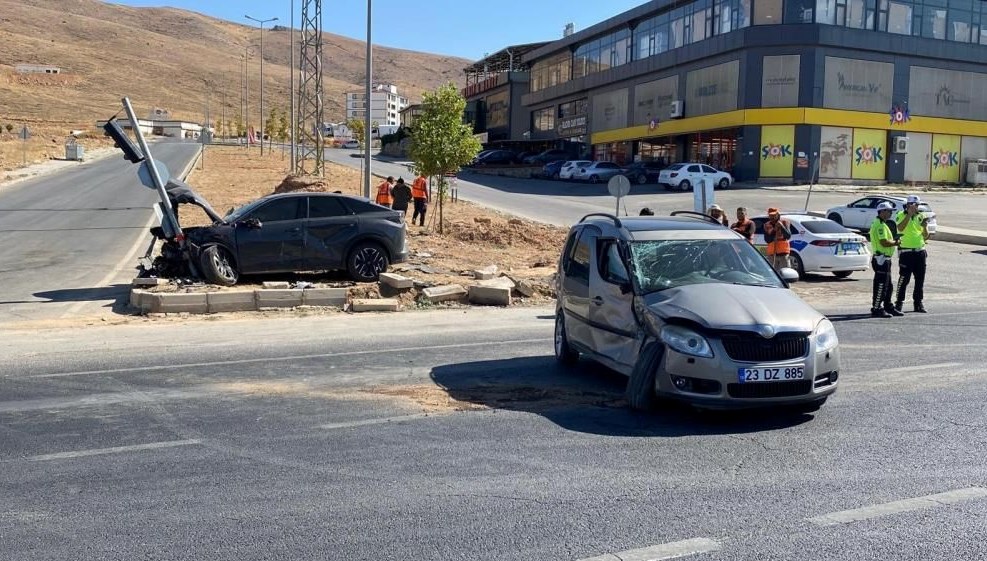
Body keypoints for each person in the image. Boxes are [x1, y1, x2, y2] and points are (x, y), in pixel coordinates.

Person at [894, 194, 931, 313]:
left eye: (917, 205)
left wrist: (925, 227)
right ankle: (899, 303)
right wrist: (909, 215)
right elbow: (900, 228)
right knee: (904, 279)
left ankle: (918, 303)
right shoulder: (901, 215)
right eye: (913, 205)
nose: (915, 207)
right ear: (908, 205)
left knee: (920, 279)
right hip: (906, 252)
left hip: (919, 251)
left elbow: (926, 236)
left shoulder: (921, 216)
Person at [869, 202, 903, 318]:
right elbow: (884, 242)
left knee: (888, 285)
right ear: (882, 211)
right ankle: (877, 308)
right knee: (881, 285)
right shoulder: (879, 225)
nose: (890, 213)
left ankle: (888, 306)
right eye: (889, 211)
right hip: (881, 258)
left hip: (885, 259)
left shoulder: (883, 224)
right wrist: (896, 242)